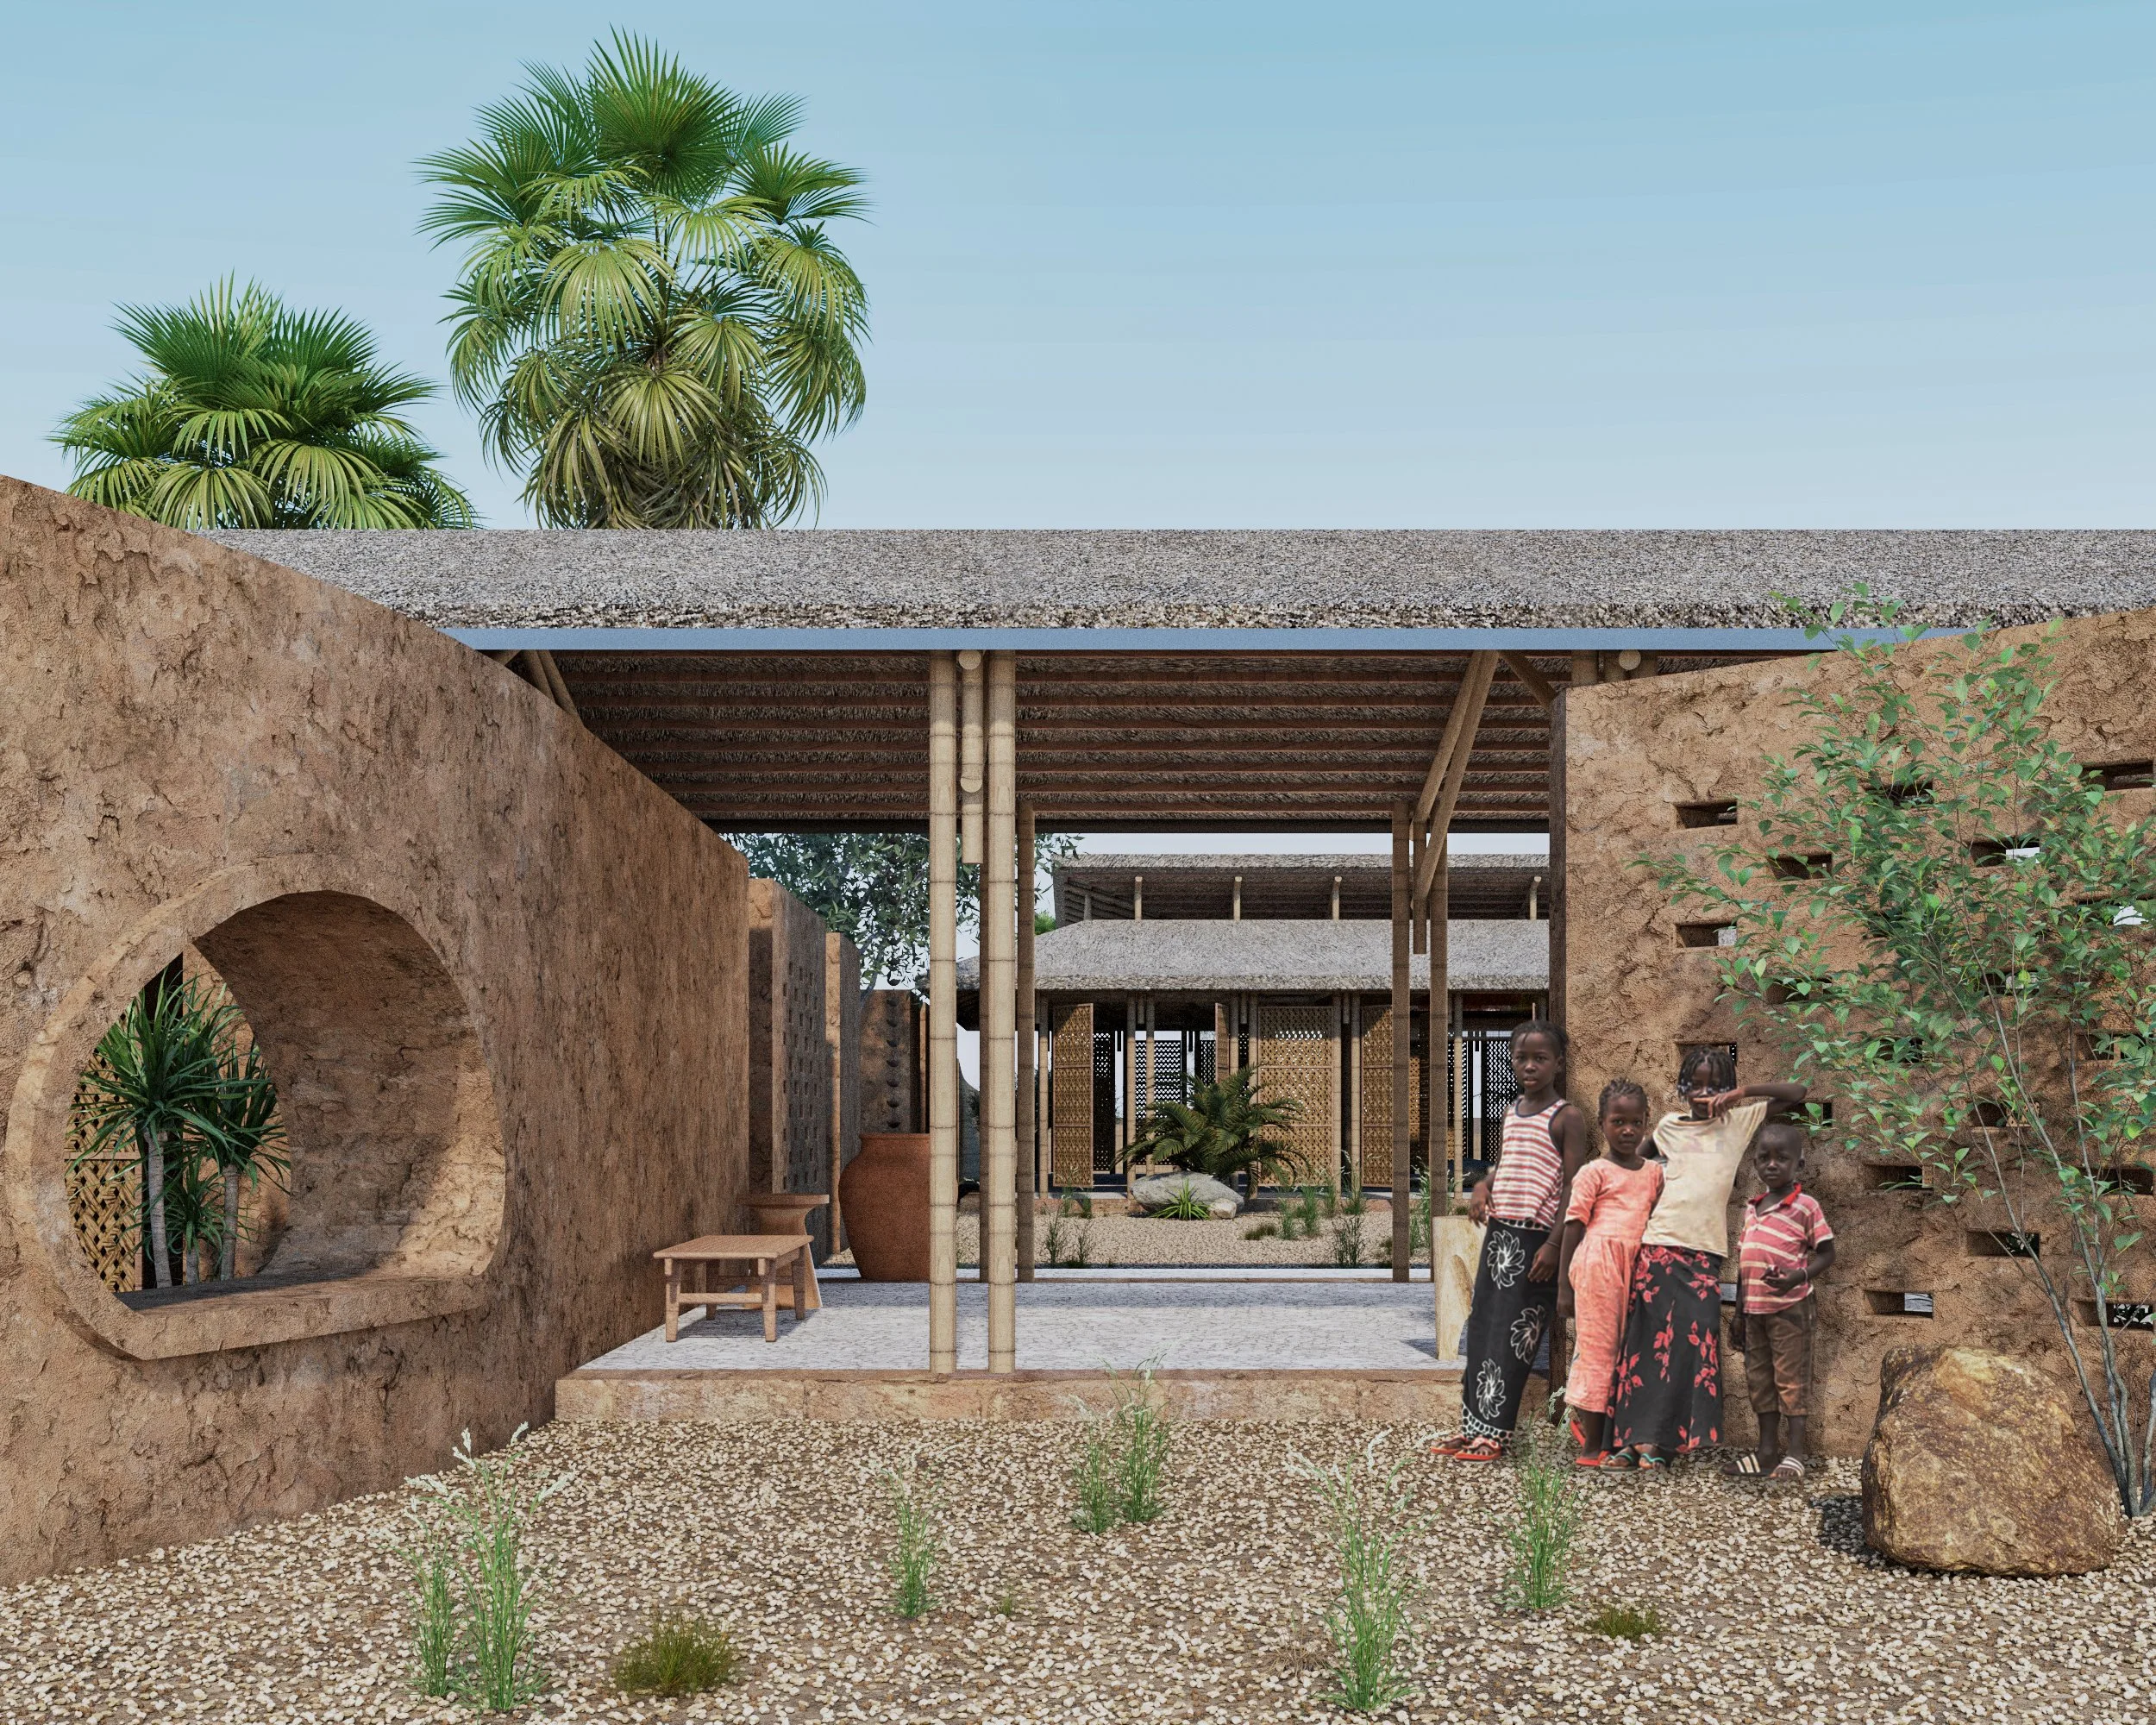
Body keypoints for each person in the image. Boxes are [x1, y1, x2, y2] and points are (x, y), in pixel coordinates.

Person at [1604, 1046, 1807, 1471]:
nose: (1703, 1092)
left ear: (1728, 1089)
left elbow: (1798, 1091)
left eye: (1714, 1085)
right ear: (1681, 1087)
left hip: (1703, 1255)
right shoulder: (1668, 1127)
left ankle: (1663, 1444)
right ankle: (1630, 1440)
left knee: (1686, 1349)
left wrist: (1741, 1095)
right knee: (1643, 1347)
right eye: (1694, 1084)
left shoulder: (1738, 1121)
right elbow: (1627, 1166)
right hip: (1656, 1245)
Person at [1428, 1020, 1591, 1462]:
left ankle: (1494, 1435)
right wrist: (1483, 1186)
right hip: (1501, 1236)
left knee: (1515, 1339)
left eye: (1540, 1058)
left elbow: (1574, 1186)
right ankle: (1472, 1426)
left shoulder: (1567, 1117)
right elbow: (1508, 1165)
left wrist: (1556, 1246)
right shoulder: (1515, 1109)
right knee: (1483, 1329)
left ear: (1559, 1063)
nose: (1529, 1066)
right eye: (1521, 1057)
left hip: (1538, 1240)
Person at [1554, 1080, 1663, 1466]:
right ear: (1603, 1124)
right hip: (1598, 1266)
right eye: (1618, 1122)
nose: (1628, 1130)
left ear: (1646, 1122)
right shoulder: (1593, 1172)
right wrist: (1565, 1286)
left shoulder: (1653, 1174)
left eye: (1636, 1122)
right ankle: (1591, 1445)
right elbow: (1574, 1226)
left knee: (1632, 1353)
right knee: (1598, 1351)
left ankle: (1625, 1438)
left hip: (1638, 1270)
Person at [1724, 1121, 1834, 1483]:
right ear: (1754, 1162)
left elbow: (1826, 1254)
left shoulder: (1805, 1207)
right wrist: (1738, 1314)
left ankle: (1796, 1454)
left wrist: (1796, 1276)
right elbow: (1743, 1267)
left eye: (1781, 1158)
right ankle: (1766, 1453)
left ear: (1798, 1164)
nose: (1772, 1164)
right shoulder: (1752, 1209)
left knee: (1791, 1379)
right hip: (1754, 1313)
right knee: (1760, 1381)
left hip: (1791, 1310)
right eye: (1764, 1158)